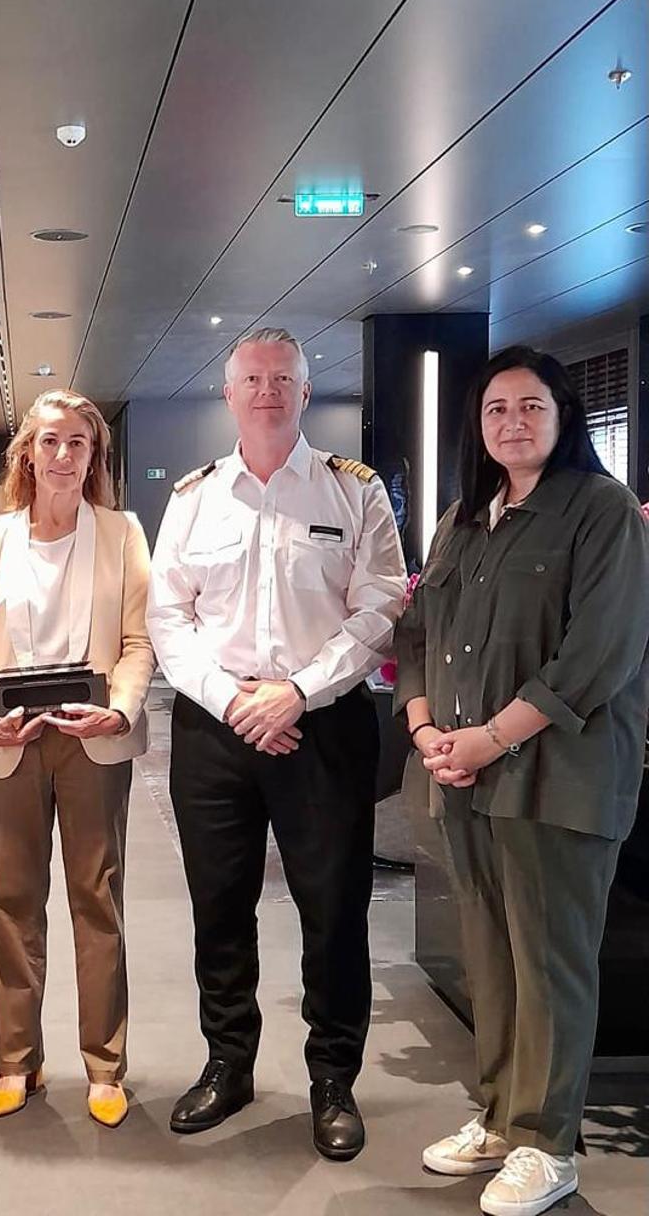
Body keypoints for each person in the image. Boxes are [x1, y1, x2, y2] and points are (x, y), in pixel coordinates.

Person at [395, 345, 649, 1216]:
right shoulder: (464, 519)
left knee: (551, 964)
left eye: (531, 406)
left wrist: (488, 739)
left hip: (558, 782)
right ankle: (502, 1117)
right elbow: (417, 633)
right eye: (496, 409)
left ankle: (549, 1144)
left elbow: (599, 655)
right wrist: (427, 729)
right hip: (465, 779)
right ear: (477, 425)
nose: (513, 422)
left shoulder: (602, 511)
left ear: (563, 415)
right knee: (493, 958)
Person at [147, 328, 406, 1160]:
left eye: (282, 378)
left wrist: (297, 691)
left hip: (322, 724)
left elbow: (379, 607)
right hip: (216, 727)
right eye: (252, 378)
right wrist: (235, 701)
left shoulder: (353, 491)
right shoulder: (194, 497)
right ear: (228, 394)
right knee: (220, 907)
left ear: (304, 391)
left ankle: (333, 1078)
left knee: (334, 912)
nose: (267, 390)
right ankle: (228, 1064)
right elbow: (167, 617)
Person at [0, 389, 154, 1129]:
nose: (63, 455)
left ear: (93, 454)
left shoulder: (122, 533)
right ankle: (17, 1061)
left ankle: (105, 1066)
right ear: (28, 455)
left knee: (97, 898)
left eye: (77, 442)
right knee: (14, 900)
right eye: (49, 441)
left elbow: (138, 641)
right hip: (13, 740)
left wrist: (121, 709)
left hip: (93, 737)